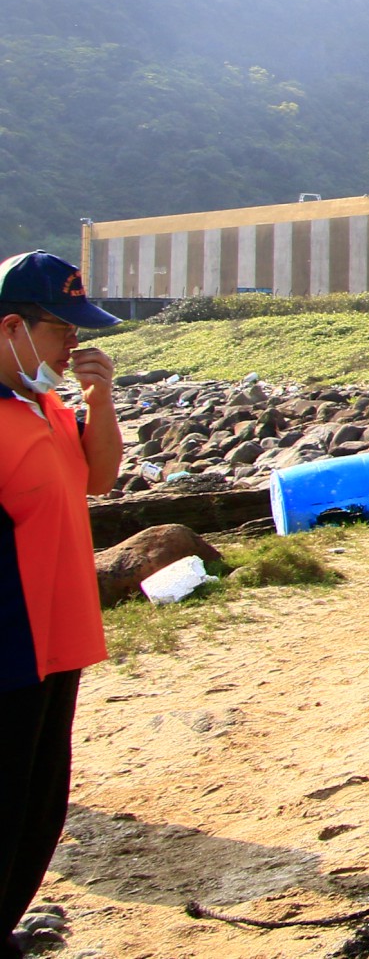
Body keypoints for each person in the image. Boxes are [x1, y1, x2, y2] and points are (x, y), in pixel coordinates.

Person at [0, 252, 122, 955]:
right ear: (12, 326)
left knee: (36, 805)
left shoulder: (41, 404)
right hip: (12, 649)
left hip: (60, 638)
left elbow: (100, 478)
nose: (73, 345)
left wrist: (98, 401)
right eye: (61, 331)